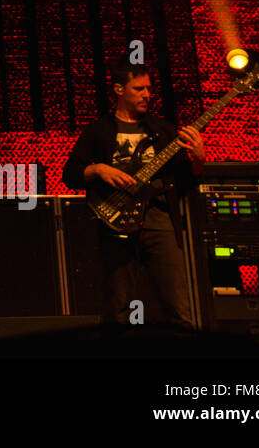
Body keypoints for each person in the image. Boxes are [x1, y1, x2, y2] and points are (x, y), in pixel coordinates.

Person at [62, 57, 206, 328]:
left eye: (149, 89)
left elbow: (186, 181)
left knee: (177, 306)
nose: (147, 95)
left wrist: (198, 160)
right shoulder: (98, 130)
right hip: (114, 222)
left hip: (160, 222)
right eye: (139, 89)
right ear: (119, 90)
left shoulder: (163, 130)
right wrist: (99, 170)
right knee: (117, 306)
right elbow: (70, 174)